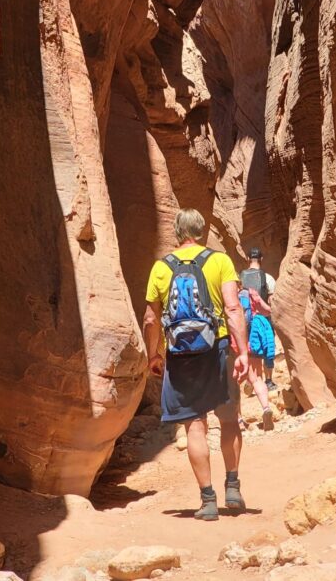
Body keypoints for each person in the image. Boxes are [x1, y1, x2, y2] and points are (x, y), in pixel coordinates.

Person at [143, 209, 250, 521]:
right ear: (202, 231)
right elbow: (232, 307)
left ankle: (207, 501)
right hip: (217, 347)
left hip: (181, 355)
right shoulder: (220, 261)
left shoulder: (161, 268)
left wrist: (155, 354)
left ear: (177, 232)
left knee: (195, 425)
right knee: (229, 418)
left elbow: (151, 318)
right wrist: (242, 351)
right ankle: (233, 486)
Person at [240, 247, 278, 389]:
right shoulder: (267, 278)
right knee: (268, 347)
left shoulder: (240, 277)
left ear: (248, 259)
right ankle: (268, 381)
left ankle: (251, 380)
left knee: (250, 348)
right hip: (263, 319)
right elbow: (272, 301)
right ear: (261, 259)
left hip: (245, 320)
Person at [236, 287, 274, 431]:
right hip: (253, 341)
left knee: (234, 384)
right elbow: (267, 310)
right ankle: (266, 408)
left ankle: (239, 420)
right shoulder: (250, 292)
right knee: (257, 378)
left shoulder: (225, 293)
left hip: (234, 343)